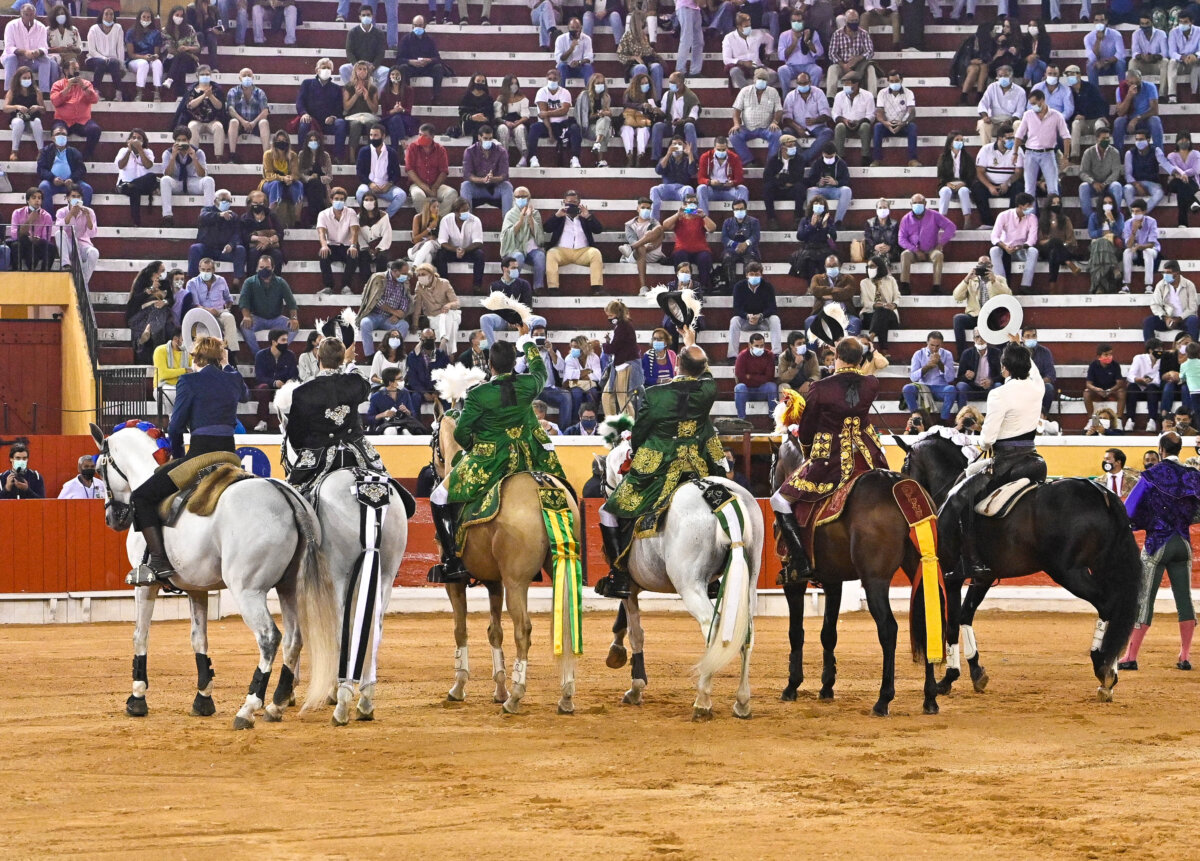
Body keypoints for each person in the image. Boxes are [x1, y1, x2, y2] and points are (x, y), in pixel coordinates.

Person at [428, 324, 568, 583]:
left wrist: (476, 445)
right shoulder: (529, 383)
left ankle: (452, 561)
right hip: (529, 458)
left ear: (490, 365)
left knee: (439, 497)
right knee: (563, 488)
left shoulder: (478, 394)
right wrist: (527, 342)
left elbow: (461, 433)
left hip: (491, 461)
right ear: (514, 363)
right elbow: (540, 370)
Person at [597, 324, 723, 597]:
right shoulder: (708, 391)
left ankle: (619, 575)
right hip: (698, 467)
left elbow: (640, 435)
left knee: (608, 511)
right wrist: (691, 342)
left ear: (677, 365)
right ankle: (713, 578)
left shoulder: (655, 395)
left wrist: (640, 451)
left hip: (658, 469)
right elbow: (706, 375)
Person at [127, 336, 247, 583]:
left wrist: (178, 457)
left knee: (141, 497)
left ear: (197, 358)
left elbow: (176, 426)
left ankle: (158, 560)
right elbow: (244, 394)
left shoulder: (189, 381)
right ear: (220, 357)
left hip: (201, 455)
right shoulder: (232, 378)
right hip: (230, 456)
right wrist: (226, 364)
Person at [771, 336, 886, 585]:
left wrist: (808, 451)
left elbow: (807, 430)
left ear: (838, 357)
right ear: (860, 358)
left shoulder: (821, 387)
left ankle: (800, 562)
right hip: (868, 457)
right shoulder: (872, 383)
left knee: (778, 499)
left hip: (831, 459)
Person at [938, 343, 1047, 577]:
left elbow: (987, 440)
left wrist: (983, 440)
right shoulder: (1037, 387)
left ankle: (972, 560)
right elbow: (1035, 371)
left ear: (1004, 368)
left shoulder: (999, 394)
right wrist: (1020, 347)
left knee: (957, 500)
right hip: (1035, 462)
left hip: (1007, 464)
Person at [1120, 432, 1200, 672]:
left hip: (1157, 543)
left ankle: (1131, 656)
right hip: (1182, 544)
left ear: (1160, 450)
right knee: (1184, 599)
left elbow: (1129, 510)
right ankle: (1184, 656)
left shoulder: (1151, 476)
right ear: (1179, 449)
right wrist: (1184, 520)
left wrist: (1145, 523)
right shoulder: (1193, 476)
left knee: (1144, 599)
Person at [282, 336, 384, 485]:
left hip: (318, 456)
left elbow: (296, 435)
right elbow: (365, 383)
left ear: (318, 356)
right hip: (356, 451)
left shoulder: (302, 392)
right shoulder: (354, 382)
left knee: (294, 492)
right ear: (341, 360)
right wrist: (349, 362)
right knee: (386, 485)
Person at [545, 190, 604, 292]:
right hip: (562, 252)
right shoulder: (559, 216)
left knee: (595, 253)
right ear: (564, 202)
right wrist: (556, 216)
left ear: (579, 203)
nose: (571, 205)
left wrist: (588, 216)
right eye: (569, 202)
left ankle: (596, 288)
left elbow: (598, 230)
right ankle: (553, 288)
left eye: (574, 202)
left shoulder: (585, 216)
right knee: (551, 253)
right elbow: (547, 228)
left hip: (582, 252)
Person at [1016, 88, 1071, 198]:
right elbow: (1019, 135)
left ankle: (1054, 209)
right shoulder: (1028, 115)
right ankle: (1030, 210)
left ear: (1042, 100)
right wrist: (1014, 153)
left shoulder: (1057, 115)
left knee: (1053, 188)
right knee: (1029, 189)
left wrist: (1066, 156)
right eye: (1031, 104)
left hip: (1048, 153)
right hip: (1030, 153)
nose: (1032, 106)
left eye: (1034, 103)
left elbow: (1066, 137)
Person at [516, 324, 574, 428]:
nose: (539, 337)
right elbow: (517, 370)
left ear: (546, 337)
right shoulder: (524, 351)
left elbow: (561, 367)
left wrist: (550, 351)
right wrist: (529, 353)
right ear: (531, 337)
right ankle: (530, 429)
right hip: (532, 389)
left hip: (549, 390)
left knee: (566, 396)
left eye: (541, 335)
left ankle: (563, 431)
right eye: (536, 335)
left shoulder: (553, 350)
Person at [898, 192, 956, 295]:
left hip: (931, 250)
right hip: (913, 251)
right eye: (915, 203)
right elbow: (901, 239)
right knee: (904, 254)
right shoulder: (906, 219)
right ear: (911, 204)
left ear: (925, 203)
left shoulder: (934, 215)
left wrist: (941, 243)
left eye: (920, 202)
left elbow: (951, 227)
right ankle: (904, 286)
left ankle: (936, 287)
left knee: (938, 255)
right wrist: (916, 250)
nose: (917, 205)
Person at [480, 257, 545, 346]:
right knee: (485, 319)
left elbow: (527, 306)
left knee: (541, 320)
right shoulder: (494, 286)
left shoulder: (524, 284)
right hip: (502, 319)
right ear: (505, 269)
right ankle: (492, 349)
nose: (516, 270)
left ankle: (533, 348)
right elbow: (491, 308)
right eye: (513, 268)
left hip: (522, 318)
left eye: (517, 268)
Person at [239, 254, 297, 354]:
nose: (264, 270)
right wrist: (246, 316)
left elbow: (291, 303)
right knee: (244, 326)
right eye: (261, 267)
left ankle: (276, 352)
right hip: (256, 318)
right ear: (257, 268)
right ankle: (258, 355)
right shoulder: (249, 282)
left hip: (276, 318)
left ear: (273, 268)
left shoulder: (281, 282)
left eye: (267, 267)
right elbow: (244, 301)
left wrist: (294, 318)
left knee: (294, 328)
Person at [159, 125, 214, 227]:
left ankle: (208, 216)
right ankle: (167, 216)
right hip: (176, 182)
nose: (181, 143)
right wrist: (173, 157)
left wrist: (194, 158)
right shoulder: (167, 153)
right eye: (178, 140)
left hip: (193, 182)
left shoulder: (198, 152)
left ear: (189, 141)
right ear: (175, 141)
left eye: (184, 140)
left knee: (209, 180)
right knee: (164, 180)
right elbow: (167, 174)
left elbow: (202, 175)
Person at [971, 124, 1023, 228]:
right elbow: (980, 171)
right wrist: (990, 186)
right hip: (990, 184)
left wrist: (1007, 183)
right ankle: (987, 222)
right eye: (1008, 138)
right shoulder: (986, 149)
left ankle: (1010, 222)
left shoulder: (1017, 150)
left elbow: (1018, 172)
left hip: (1009, 185)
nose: (1011, 141)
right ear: (1000, 138)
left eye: (1012, 137)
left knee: (1019, 187)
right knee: (977, 188)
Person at [316, 187, 366, 295]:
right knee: (323, 254)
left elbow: (354, 231)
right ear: (331, 200)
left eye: (342, 199)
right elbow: (321, 233)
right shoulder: (323, 214)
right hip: (331, 245)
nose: (339, 201)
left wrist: (353, 245)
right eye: (336, 199)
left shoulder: (351, 212)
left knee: (354, 254)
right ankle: (328, 286)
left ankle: (346, 286)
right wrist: (324, 246)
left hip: (346, 245)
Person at [528, 69, 582, 169]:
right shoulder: (542, 92)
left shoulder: (565, 92)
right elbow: (543, 116)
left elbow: (564, 111)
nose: (552, 81)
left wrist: (548, 113)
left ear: (559, 79)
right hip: (546, 125)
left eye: (555, 79)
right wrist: (550, 133)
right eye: (550, 79)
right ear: (546, 78)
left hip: (562, 125)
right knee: (534, 128)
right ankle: (532, 157)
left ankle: (575, 158)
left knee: (575, 128)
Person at [729, 68, 782, 168]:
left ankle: (771, 163)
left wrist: (775, 122)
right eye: (759, 78)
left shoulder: (773, 92)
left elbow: (778, 110)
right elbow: (736, 110)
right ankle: (749, 161)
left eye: (764, 79)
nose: (761, 81)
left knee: (777, 134)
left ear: (767, 81)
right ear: (754, 79)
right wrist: (736, 124)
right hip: (747, 128)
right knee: (733, 135)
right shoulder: (745, 91)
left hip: (766, 128)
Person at [48, 58, 100, 160]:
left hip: (83, 121)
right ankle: (60, 157)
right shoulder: (58, 84)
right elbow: (55, 102)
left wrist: (84, 87)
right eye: (74, 68)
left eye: (77, 68)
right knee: (57, 132)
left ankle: (86, 156)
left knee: (95, 130)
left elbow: (94, 99)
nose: (77, 71)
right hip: (63, 120)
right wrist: (67, 88)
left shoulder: (86, 83)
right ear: (66, 71)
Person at [358, 259, 413, 355]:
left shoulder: (404, 282)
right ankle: (370, 356)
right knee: (364, 323)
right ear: (395, 271)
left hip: (390, 319)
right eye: (404, 273)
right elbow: (376, 299)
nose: (406, 276)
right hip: (374, 315)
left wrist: (399, 314)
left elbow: (405, 299)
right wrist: (394, 311)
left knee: (404, 325)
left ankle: (391, 354)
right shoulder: (379, 278)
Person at [902, 331, 958, 423]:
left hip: (940, 388)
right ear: (927, 342)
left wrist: (939, 363)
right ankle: (915, 417)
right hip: (923, 387)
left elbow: (950, 378)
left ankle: (943, 420)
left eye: (937, 346)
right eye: (932, 345)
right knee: (907, 388)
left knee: (951, 389)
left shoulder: (947, 354)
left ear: (941, 344)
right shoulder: (918, 354)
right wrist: (927, 367)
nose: (934, 348)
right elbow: (913, 378)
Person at [728, 261, 780, 358]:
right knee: (734, 320)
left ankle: (776, 353)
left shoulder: (768, 286)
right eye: (751, 274)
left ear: (761, 275)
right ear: (746, 275)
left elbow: (772, 308)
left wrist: (761, 316)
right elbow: (737, 308)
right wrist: (747, 316)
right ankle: (732, 355)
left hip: (763, 321)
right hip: (746, 320)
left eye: (757, 274)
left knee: (775, 319)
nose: (754, 276)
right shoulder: (739, 287)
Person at [990, 193, 1040, 293]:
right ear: (1021, 206)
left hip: (1022, 249)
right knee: (994, 250)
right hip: (1005, 249)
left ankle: (1025, 285)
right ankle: (1002, 285)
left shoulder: (1032, 218)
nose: (1031, 208)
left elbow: (1032, 239)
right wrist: (1005, 247)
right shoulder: (1004, 215)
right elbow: (994, 237)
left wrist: (1021, 246)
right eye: (1029, 205)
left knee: (1033, 251)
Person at [295, 58, 348, 153]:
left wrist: (333, 117)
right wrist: (304, 113)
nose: (326, 70)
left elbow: (339, 108)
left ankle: (338, 156)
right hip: (312, 121)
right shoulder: (307, 84)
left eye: (329, 68)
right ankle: (302, 155)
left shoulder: (336, 88)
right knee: (304, 123)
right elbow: (300, 102)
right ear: (317, 70)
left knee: (340, 123)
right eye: (324, 67)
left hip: (328, 123)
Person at [780, 71, 833, 164]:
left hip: (817, 127)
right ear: (797, 83)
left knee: (827, 132)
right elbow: (786, 118)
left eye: (805, 83)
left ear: (810, 82)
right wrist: (798, 128)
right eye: (800, 83)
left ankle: (803, 159)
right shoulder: (790, 96)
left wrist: (815, 120)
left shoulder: (818, 93)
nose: (802, 85)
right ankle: (806, 159)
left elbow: (826, 115)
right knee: (786, 132)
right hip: (797, 127)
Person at [186, 258, 240, 347]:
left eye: (208, 270)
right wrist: (209, 310)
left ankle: (230, 350)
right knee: (207, 329)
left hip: (219, 312)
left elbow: (228, 299)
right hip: (202, 314)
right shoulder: (192, 283)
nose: (205, 272)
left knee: (229, 317)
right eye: (203, 269)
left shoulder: (221, 280)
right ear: (199, 269)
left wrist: (227, 309)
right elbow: (195, 305)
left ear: (213, 270)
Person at [500, 187, 547, 291]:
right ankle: (513, 286)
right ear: (514, 198)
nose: (520, 199)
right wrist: (521, 220)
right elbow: (506, 236)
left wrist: (530, 218)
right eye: (518, 197)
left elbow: (539, 236)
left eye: (523, 196)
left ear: (529, 198)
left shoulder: (535, 213)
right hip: (514, 249)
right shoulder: (510, 214)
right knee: (518, 257)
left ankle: (538, 287)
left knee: (540, 256)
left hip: (531, 249)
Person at [37, 122, 92, 210]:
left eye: (63, 134)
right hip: (52, 183)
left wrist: (72, 179)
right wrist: (52, 178)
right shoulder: (45, 151)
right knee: (43, 186)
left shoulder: (74, 151)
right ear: (52, 138)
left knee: (87, 188)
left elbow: (81, 169)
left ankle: (82, 215)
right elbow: (41, 169)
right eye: (58, 134)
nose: (61, 136)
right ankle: (49, 217)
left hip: (71, 184)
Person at [1143, 260, 1200, 343]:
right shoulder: (1161, 285)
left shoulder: (1189, 285)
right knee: (1148, 321)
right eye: (1164, 272)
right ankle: (1151, 349)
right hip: (1167, 320)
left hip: (1184, 319)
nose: (1165, 275)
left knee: (1193, 320)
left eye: (1168, 273)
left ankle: (1192, 349)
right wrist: (1166, 318)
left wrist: (1179, 318)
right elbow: (1155, 305)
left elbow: (1193, 308)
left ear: (1177, 273)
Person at [405, 124, 457, 213]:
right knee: (418, 195)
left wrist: (435, 187)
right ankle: (425, 219)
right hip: (418, 185)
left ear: (432, 136)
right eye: (420, 135)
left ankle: (438, 218)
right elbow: (409, 170)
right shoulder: (412, 147)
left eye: (425, 135)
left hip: (436, 185)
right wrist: (424, 187)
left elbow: (444, 171)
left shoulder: (440, 149)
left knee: (452, 193)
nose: (421, 137)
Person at [648, 71, 700, 161]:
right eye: (670, 82)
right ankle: (656, 158)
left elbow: (692, 118)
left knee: (689, 126)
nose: (670, 85)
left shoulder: (692, 98)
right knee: (657, 126)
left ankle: (693, 158)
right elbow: (663, 112)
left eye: (673, 82)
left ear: (681, 83)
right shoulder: (668, 94)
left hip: (682, 127)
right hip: (670, 125)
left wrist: (682, 121)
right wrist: (657, 110)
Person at [2, 6, 55, 95]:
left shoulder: (41, 27)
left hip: (32, 60)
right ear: (21, 14)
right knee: (11, 58)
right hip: (15, 60)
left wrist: (37, 52)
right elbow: (9, 47)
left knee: (45, 60)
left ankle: (44, 92)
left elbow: (44, 48)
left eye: (31, 15)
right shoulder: (11, 25)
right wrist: (24, 52)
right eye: (26, 14)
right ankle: (9, 91)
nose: (29, 17)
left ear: (35, 15)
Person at [410, 263, 462, 352]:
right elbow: (417, 306)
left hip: (449, 314)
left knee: (448, 315)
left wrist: (449, 305)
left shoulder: (444, 283)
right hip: (434, 318)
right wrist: (415, 324)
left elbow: (457, 303)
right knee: (452, 324)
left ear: (431, 274)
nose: (420, 277)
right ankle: (449, 351)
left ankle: (443, 342)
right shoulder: (419, 286)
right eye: (419, 275)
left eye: (423, 274)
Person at [435, 197, 485, 290]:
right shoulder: (446, 220)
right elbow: (442, 241)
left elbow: (478, 242)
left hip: (468, 251)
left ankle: (477, 286)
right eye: (463, 210)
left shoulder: (475, 220)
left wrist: (464, 250)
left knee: (480, 254)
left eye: (467, 209)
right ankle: (445, 286)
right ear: (455, 212)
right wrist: (455, 249)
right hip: (452, 251)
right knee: (440, 254)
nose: (467, 212)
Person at [872, 70, 919, 167]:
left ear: (901, 80)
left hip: (902, 125)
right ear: (888, 81)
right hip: (887, 125)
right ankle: (877, 160)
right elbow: (879, 112)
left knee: (912, 127)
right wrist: (886, 123)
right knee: (877, 126)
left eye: (897, 81)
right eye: (891, 81)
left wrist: (903, 123)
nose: (894, 83)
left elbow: (912, 112)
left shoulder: (908, 93)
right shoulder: (882, 93)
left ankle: (912, 160)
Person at [825, 9, 875, 97]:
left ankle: (873, 97)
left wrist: (858, 58)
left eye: (856, 20)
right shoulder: (837, 34)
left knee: (870, 68)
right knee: (832, 69)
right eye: (852, 21)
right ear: (846, 21)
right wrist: (843, 65)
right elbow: (832, 53)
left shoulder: (864, 34)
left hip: (859, 66)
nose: (854, 23)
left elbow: (870, 51)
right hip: (842, 65)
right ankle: (830, 98)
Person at [1078, 123, 1123, 222]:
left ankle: (1115, 218)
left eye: (1107, 138)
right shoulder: (1088, 152)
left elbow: (1116, 172)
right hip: (1093, 186)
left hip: (1108, 186)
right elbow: (1083, 172)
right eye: (1103, 138)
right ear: (1097, 139)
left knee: (1117, 186)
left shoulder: (1114, 152)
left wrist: (1105, 183)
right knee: (1083, 187)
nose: (1106, 140)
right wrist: (1093, 182)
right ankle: (1091, 220)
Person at [54, 186, 98, 286]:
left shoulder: (89, 211)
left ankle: (82, 283)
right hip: (68, 244)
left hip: (82, 244)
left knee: (94, 252)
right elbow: (59, 229)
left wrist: (88, 217)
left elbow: (92, 234)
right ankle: (66, 265)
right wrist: (70, 214)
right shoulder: (61, 212)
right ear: (67, 198)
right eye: (73, 196)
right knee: (59, 233)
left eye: (78, 196)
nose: (76, 199)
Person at [620, 197, 665, 294]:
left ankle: (629, 251)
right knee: (640, 248)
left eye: (648, 208)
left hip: (653, 254)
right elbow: (633, 241)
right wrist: (642, 246)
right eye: (643, 207)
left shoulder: (655, 223)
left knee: (659, 229)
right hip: (638, 254)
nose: (646, 210)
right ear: (637, 209)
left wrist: (641, 246)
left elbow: (658, 242)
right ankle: (643, 287)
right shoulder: (629, 225)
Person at [722, 11, 776, 89]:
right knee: (734, 71)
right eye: (746, 26)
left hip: (756, 66)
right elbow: (726, 59)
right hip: (741, 67)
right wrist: (743, 63)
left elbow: (770, 39)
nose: (749, 28)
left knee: (773, 75)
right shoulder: (729, 38)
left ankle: (753, 90)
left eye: (749, 26)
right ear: (738, 26)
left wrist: (768, 53)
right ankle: (748, 91)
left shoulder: (757, 34)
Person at [762, 134, 806, 230]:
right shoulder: (773, 160)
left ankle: (798, 219)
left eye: (794, 145)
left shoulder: (799, 159)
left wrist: (779, 177)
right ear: (782, 147)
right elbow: (767, 178)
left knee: (800, 187)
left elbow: (798, 177)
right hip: (777, 190)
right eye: (790, 146)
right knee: (767, 188)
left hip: (791, 190)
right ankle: (771, 219)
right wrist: (783, 181)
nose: (793, 148)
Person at [226, 68, 271, 164]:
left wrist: (253, 122)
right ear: (240, 78)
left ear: (253, 77)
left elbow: (265, 111)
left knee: (264, 122)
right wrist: (243, 122)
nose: (247, 77)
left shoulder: (259, 92)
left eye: (249, 75)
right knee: (233, 122)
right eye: (244, 75)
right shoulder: (233, 91)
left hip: (255, 124)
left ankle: (266, 158)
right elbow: (230, 110)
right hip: (240, 124)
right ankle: (232, 156)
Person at [1037, 193, 1082, 287]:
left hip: (1062, 250)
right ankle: (1069, 262)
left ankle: (1052, 285)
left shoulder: (1065, 220)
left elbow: (1071, 240)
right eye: (1053, 203)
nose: (1056, 205)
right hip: (1046, 250)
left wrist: (1061, 244)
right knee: (1054, 241)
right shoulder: (1043, 220)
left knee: (1054, 253)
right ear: (1049, 205)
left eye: (1058, 203)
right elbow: (1040, 241)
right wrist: (1052, 241)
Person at [1114, 69, 1163, 153]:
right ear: (1127, 82)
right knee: (1118, 121)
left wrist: (1136, 119)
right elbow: (1120, 113)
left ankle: (1159, 154)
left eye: (1137, 83)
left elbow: (1155, 110)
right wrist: (1129, 96)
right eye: (1132, 83)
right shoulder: (1120, 89)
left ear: (1141, 79)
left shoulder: (1150, 87)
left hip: (1145, 120)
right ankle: (1118, 155)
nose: (1135, 86)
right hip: (1129, 122)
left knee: (1155, 120)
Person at [7, 187, 56, 272]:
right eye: (34, 198)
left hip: (37, 245)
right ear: (28, 200)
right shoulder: (17, 213)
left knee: (51, 247)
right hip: (23, 244)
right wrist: (29, 221)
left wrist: (36, 239)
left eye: (39, 198)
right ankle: (16, 272)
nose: (37, 200)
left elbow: (45, 238)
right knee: (17, 244)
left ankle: (45, 273)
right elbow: (14, 235)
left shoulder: (47, 216)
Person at [4, 65, 47, 162]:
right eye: (24, 78)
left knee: (37, 121)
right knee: (18, 122)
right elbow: (5, 108)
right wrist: (17, 107)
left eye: (29, 78)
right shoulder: (12, 91)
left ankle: (41, 151)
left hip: (32, 120)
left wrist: (37, 107)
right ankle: (14, 151)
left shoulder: (37, 92)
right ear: (18, 79)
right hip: (17, 119)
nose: (27, 80)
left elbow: (44, 110)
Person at [976, 65, 1026, 146]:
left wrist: (1009, 121)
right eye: (1000, 76)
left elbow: (1020, 111)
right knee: (982, 124)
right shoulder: (992, 87)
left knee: (1018, 124)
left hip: (1011, 121)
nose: (1003, 78)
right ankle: (986, 149)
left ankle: (1016, 149)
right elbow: (983, 104)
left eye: (1005, 76)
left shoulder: (1020, 91)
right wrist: (985, 116)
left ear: (1011, 77)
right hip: (994, 121)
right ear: (997, 77)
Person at [831, 72, 874, 166]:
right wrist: (844, 120)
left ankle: (865, 156)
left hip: (860, 124)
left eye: (848, 83)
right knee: (839, 127)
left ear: (856, 84)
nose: (845, 86)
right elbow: (835, 113)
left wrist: (860, 121)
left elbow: (871, 115)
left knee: (865, 126)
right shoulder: (839, 95)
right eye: (844, 83)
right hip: (845, 125)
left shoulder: (868, 95)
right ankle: (839, 157)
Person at [695, 136, 747, 215]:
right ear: (714, 148)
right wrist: (710, 182)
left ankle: (742, 219)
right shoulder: (705, 157)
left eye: (724, 149)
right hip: (712, 190)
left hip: (728, 190)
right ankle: (704, 219)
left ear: (727, 148)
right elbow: (700, 178)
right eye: (719, 149)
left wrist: (732, 182)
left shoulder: (734, 157)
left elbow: (739, 178)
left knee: (743, 189)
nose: (721, 151)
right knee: (701, 188)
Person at [341, 7, 389, 92]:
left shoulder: (379, 33)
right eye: (363, 15)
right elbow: (349, 51)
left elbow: (381, 53)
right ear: (359, 17)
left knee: (386, 71)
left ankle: (375, 96)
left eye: (368, 15)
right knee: (343, 69)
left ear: (372, 16)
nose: (366, 17)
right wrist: (357, 66)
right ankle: (353, 92)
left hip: (372, 66)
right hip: (357, 66)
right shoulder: (352, 32)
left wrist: (373, 66)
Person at [860, 255, 900, 356]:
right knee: (880, 314)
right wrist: (874, 305)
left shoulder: (891, 280)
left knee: (883, 312)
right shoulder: (864, 282)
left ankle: (871, 337)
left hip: (889, 314)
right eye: (868, 267)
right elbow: (864, 302)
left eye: (872, 266)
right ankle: (884, 350)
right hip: (870, 314)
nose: (870, 269)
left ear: (880, 267)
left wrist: (894, 304)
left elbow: (897, 297)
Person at [733, 332, 778, 420]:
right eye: (756, 346)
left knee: (772, 386)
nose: (760, 348)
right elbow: (741, 377)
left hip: (762, 390)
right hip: (747, 390)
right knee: (739, 388)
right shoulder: (742, 356)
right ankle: (741, 419)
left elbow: (769, 377)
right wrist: (760, 378)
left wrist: (750, 377)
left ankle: (773, 418)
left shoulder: (769, 355)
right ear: (750, 345)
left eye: (762, 346)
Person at [85, 7, 126, 102]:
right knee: (101, 62)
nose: (109, 16)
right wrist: (103, 58)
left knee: (114, 62)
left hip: (111, 61)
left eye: (111, 14)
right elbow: (92, 50)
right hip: (94, 59)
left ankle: (118, 93)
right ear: (102, 16)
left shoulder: (118, 28)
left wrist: (121, 64)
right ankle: (95, 92)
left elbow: (120, 48)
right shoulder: (94, 29)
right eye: (106, 14)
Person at [777, 9, 824, 91]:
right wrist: (794, 43)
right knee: (782, 70)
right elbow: (781, 56)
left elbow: (819, 52)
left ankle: (813, 95)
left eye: (799, 21)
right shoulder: (784, 35)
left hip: (809, 66)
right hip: (791, 67)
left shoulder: (812, 33)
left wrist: (807, 41)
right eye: (794, 21)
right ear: (790, 22)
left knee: (817, 70)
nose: (796, 23)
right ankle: (786, 97)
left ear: (803, 22)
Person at [937, 133, 976, 227]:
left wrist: (963, 183)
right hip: (947, 184)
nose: (960, 142)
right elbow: (941, 175)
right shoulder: (943, 157)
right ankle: (942, 220)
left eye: (961, 140)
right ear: (950, 143)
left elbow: (971, 175)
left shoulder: (967, 157)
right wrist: (949, 184)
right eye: (957, 140)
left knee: (964, 191)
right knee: (945, 191)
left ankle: (967, 220)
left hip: (963, 184)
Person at [955, 330, 1003, 408]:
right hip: (972, 389)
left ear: (987, 338)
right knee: (961, 385)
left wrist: (991, 381)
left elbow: (1002, 375)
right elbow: (959, 378)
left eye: (983, 337)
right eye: (977, 337)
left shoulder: (996, 353)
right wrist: (966, 377)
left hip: (990, 390)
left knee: (998, 385)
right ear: (973, 339)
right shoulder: (967, 353)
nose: (980, 340)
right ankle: (961, 414)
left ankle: (998, 414)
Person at [1124, 339, 1163, 431]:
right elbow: (1130, 375)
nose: (1160, 351)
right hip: (1139, 388)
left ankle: (1152, 420)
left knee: (1152, 387)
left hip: (1153, 390)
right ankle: (1130, 420)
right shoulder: (1139, 358)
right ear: (1150, 350)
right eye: (1158, 349)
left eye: (1161, 349)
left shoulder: (1162, 361)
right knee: (1131, 387)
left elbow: (1159, 380)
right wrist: (1138, 379)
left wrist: (1151, 381)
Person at [720, 198, 760, 288]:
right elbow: (724, 238)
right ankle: (732, 287)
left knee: (751, 262)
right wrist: (735, 245)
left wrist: (746, 243)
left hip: (749, 250)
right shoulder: (727, 222)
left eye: (741, 209)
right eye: (736, 209)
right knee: (727, 258)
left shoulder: (754, 222)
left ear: (746, 209)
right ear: (733, 210)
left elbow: (756, 236)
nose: (739, 211)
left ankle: (748, 288)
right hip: (732, 250)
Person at [1123, 197, 1160, 294]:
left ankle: (1148, 285)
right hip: (1135, 249)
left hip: (1150, 249)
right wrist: (1134, 231)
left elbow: (1152, 244)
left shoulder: (1152, 221)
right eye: (1133, 211)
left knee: (1147, 252)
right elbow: (1128, 245)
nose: (1135, 214)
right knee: (1126, 252)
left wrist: (1140, 247)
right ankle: (1126, 285)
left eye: (1137, 211)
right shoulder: (1128, 223)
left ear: (1144, 211)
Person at [1123, 129, 1165, 213]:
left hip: (1152, 183)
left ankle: (1141, 212)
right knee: (1127, 189)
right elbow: (1128, 174)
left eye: (1141, 139)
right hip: (1135, 182)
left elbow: (1165, 164)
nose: (1139, 142)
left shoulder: (1156, 151)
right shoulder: (1130, 153)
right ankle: (1134, 213)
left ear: (1148, 140)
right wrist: (1137, 185)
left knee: (1159, 193)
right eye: (1137, 139)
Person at [1164, 134, 1200, 228]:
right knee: (1181, 183)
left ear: (1190, 141)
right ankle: (1194, 200)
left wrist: (1182, 175)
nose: (1183, 141)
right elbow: (1174, 167)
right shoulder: (1171, 155)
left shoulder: (1196, 154)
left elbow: (1196, 170)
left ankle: (1182, 223)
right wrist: (1182, 175)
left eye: (1186, 139)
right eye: (1181, 139)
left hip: (1190, 182)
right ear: (1177, 141)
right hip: (1174, 182)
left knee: (1182, 190)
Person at [366, 367, 417, 433]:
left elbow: (413, 414)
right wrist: (383, 414)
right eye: (400, 379)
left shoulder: (405, 392)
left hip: (403, 424)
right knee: (391, 431)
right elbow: (369, 419)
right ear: (390, 383)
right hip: (385, 425)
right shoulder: (376, 396)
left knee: (406, 432)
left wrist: (407, 411)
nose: (402, 380)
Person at [1085, 342, 1128, 418]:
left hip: (1112, 390)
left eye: (1110, 354)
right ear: (1099, 356)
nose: (1109, 356)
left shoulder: (1115, 365)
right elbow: (1088, 384)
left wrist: (1109, 390)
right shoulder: (1093, 365)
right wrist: (1096, 389)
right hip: (1097, 391)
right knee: (1086, 393)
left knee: (1122, 392)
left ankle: (1119, 418)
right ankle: (1091, 418)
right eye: (1106, 354)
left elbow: (1119, 383)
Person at [1085, 11, 1127, 90]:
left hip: (1113, 65)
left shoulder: (1116, 34)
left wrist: (1106, 62)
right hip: (1099, 66)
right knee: (1090, 65)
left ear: (1106, 21)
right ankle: (1095, 94)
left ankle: (1123, 90)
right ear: (1094, 22)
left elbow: (1121, 54)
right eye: (1097, 20)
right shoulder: (1088, 37)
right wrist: (1098, 40)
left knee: (1121, 62)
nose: (1099, 23)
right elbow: (1092, 57)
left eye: (1102, 20)